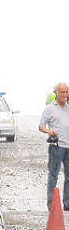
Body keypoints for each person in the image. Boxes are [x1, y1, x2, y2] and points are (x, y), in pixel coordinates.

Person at [38, 82, 69, 210]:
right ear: (56, 93)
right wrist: (49, 132)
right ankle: (51, 204)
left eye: (67, 92)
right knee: (53, 175)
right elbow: (41, 126)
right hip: (56, 146)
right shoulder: (49, 109)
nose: (65, 95)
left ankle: (67, 204)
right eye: (62, 92)